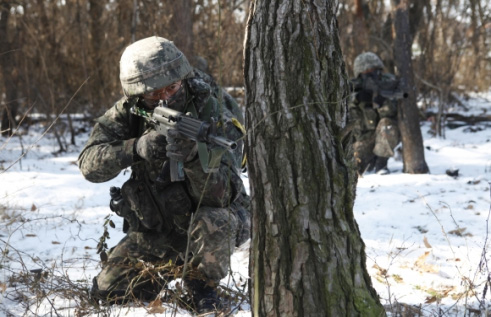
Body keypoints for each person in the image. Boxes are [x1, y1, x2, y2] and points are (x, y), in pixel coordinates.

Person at [78, 36, 250, 313]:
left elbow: (222, 198)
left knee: (213, 220)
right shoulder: (129, 112)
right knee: (109, 293)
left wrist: (193, 157)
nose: (166, 97)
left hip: (212, 222)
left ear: (182, 77)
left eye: (172, 87)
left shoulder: (213, 111)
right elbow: (88, 165)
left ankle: (202, 284)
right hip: (159, 227)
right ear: (137, 93)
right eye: (154, 94)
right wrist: (135, 148)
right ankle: (170, 268)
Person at [348, 52, 401, 175]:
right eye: (366, 73)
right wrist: (357, 99)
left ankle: (381, 165)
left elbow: (394, 115)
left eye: (374, 71)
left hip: (384, 137)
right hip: (363, 139)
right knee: (354, 168)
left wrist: (383, 102)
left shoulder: (388, 83)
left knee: (387, 124)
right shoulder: (353, 86)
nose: (371, 76)